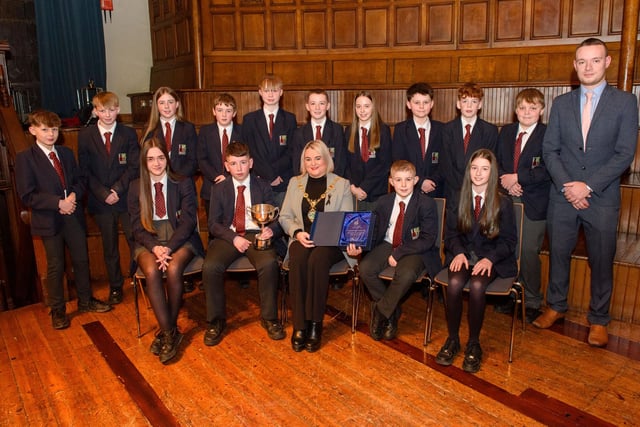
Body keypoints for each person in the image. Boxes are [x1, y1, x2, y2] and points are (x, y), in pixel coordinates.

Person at [534, 38, 638, 347]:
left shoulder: (625, 102)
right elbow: (550, 151)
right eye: (581, 61)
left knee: (602, 259)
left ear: (607, 62)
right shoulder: (562, 103)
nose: (587, 67)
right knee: (559, 255)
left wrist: (588, 186)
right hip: (563, 196)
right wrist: (570, 186)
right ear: (575, 65)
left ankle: (599, 319)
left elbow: (624, 154)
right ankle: (556, 306)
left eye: (594, 60)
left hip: (601, 198)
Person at [15, 110, 111, 329]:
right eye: (45, 129)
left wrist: (74, 195)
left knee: (81, 260)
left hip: (73, 215)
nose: (51, 134)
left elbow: (79, 180)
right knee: (56, 265)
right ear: (33, 130)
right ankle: (57, 310)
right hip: (49, 219)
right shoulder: (25, 158)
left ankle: (86, 301)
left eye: (55, 129)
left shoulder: (66, 153)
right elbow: (27, 194)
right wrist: (59, 203)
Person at [435, 149, 517, 373]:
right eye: (474, 168)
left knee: (478, 286)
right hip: (464, 254)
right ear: (468, 171)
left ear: (492, 173)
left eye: (484, 169)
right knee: (453, 284)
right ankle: (453, 339)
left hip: (492, 257)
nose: (478, 173)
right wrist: (459, 252)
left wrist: (490, 259)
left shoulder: (504, 202)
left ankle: (474, 343)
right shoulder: (458, 196)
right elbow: (450, 234)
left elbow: (510, 241)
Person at [128, 137, 204, 364]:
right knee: (151, 272)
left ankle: (166, 331)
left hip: (180, 236)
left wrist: (168, 247)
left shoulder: (183, 182)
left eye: (160, 158)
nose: (156, 163)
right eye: (151, 159)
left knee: (173, 269)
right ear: (144, 161)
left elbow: (189, 221)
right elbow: (135, 227)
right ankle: (171, 333)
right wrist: (155, 247)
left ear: (167, 158)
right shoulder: (135, 187)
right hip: (148, 238)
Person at [201, 142, 285, 346]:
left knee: (269, 264)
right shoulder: (219, 188)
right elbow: (213, 224)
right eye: (234, 163)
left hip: (256, 234)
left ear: (251, 163)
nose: (239, 168)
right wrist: (233, 238)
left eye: (243, 163)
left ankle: (269, 318)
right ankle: (216, 321)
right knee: (210, 267)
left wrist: (270, 230)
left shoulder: (262, 185)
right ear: (226, 165)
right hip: (228, 236)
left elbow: (276, 218)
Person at [346, 160, 441, 341]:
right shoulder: (384, 201)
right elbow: (373, 230)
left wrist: (398, 253)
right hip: (388, 243)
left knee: (405, 274)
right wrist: (359, 246)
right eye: (398, 180)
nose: (403, 184)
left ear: (416, 180)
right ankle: (391, 311)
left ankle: (380, 312)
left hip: (416, 248)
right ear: (391, 181)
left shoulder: (426, 203)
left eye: (408, 179)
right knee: (366, 268)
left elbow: (428, 238)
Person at [279, 140, 353, 352]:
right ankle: (300, 325)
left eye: (317, 158)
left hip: (330, 242)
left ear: (326, 159)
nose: (313, 164)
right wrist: (296, 232)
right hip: (301, 238)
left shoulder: (341, 184)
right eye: (308, 159)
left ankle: (315, 324)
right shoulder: (295, 182)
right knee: (299, 259)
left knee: (317, 260)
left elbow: (346, 221)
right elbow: (284, 216)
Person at [78, 91, 139, 305]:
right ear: (95, 112)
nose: (108, 114)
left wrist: (116, 190)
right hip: (100, 201)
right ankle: (115, 286)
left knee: (135, 240)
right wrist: (104, 193)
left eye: (112, 110)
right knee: (110, 246)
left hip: (124, 198)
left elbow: (134, 166)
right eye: (102, 110)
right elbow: (84, 171)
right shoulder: (85, 136)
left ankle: (138, 278)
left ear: (118, 109)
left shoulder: (128, 134)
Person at [495, 88, 550, 323]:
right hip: (507, 199)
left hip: (534, 202)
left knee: (527, 251)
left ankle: (532, 300)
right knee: (509, 246)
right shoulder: (506, 132)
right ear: (515, 110)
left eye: (533, 108)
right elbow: (495, 161)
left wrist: (518, 178)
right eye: (522, 108)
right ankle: (510, 293)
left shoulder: (548, 134)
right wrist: (508, 183)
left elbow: (548, 168)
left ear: (541, 110)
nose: (527, 112)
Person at [241, 74, 298, 207]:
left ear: (281, 92)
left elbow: (291, 151)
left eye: (274, 90)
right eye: (267, 91)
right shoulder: (249, 120)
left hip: (282, 181)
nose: (270, 95)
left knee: (283, 223)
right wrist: (268, 175)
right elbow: (249, 150)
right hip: (258, 180)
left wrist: (275, 175)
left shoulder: (290, 119)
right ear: (260, 92)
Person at [440, 82, 498, 206]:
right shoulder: (446, 129)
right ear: (458, 104)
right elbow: (446, 163)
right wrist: (462, 187)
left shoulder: (490, 130)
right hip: (453, 191)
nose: (469, 106)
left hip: (479, 191)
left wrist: (473, 187)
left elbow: (489, 163)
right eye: (465, 101)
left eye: (474, 101)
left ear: (480, 104)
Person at [392, 82, 445, 198]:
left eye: (425, 102)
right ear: (409, 104)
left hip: (435, 190)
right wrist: (420, 182)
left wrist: (432, 181)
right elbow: (399, 161)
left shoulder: (442, 129)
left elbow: (445, 162)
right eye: (417, 103)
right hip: (409, 191)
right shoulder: (401, 130)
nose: (421, 107)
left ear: (432, 104)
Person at [344, 90, 392, 211]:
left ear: (373, 107)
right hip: (354, 194)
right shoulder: (349, 131)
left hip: (377, 193)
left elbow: (384, 164)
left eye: (366, 106)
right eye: (358, 106)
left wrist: (365, 187)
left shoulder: (383, 130)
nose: (362, 110)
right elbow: (345, 163)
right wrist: (353, 187)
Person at [197, 93, 242, 218]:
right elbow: (202, 159)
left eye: (228, 111)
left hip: (236, 187)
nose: (224, 114)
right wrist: (217, 176)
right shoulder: (205, 132)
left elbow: (245, 159)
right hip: (211, 187)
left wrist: (228, 177)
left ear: (234, 113)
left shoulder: (242, 132)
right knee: (214, 229)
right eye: (220, 110)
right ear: (213, 111)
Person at [142, 86, 198, 179]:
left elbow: (193, 161)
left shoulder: (188, 128)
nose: (166, 106)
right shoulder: (149, 130)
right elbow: (146, 160)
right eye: (162, 103)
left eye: (170, 102)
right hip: (158, 181)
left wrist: (175, 178)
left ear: (177, 104)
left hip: (182, 181)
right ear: (156, 106)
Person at [291, 89, 348, 177]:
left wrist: (329, 184)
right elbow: (297, 165)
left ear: (328, 106)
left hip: (331, 184)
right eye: (313, 104)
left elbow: (341, 163)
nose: (317, 108)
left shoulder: (337, 130)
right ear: (307, 106)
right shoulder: (299, 133)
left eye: (321, 103)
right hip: (307, 184)